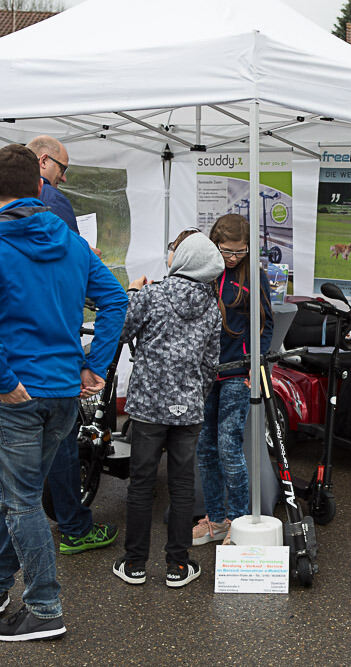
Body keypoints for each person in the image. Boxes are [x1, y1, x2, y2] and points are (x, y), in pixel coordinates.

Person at [0, 143, 126, 641]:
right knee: (21, 499)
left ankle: (46, 609)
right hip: (62, 396)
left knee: (22, 502)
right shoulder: (72, 244)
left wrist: (4, 380)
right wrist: (93, 365)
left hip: (17, 398)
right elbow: (114, 299)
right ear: (41, 186)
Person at [112, 230, 223, 588]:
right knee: (182, 485)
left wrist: (131, 291)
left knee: (142, 484)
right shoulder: (211, 307)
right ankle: (177, 564)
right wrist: (196, 396)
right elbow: (211, 364)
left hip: (147, 407)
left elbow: (121, 330)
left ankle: (135, 564)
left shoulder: (152, 295)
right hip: (188, 408)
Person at [192, 214, 274, 546]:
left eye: (239, 252)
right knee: (205, 449)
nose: (232, 258)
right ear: (213, 245)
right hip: (205, 373)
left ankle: (239, 522)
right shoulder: (203, 273)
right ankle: (216, 520)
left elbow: (266, 324)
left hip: (238, 372)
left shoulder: (255, 276)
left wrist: (258, 361)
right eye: (226, 251)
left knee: (229, 448)